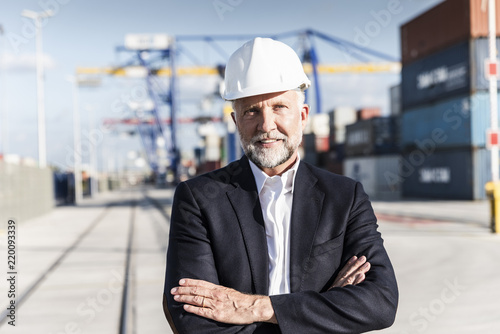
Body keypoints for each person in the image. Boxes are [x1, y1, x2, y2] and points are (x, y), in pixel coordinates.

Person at [163, 37, 398, 333]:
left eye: (279, 107)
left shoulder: (345, 197)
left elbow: (380, 303)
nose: (266, 125)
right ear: (236, 121)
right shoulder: (198, 199)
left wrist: (255, 308)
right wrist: (324, 308)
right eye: (251, 111)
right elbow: (194, 323)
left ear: (303, 116)